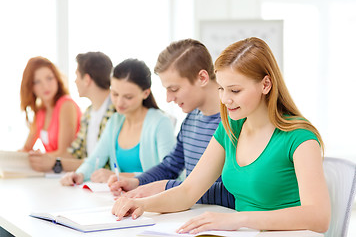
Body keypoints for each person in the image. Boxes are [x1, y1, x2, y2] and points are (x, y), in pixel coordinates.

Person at [111, 37, 331, 234]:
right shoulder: (230, 129)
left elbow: (319, 219)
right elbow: (188, 191)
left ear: (266, 84)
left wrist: (239, 219)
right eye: (222, 89)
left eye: (235, 91)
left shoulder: (300, 137)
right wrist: (143, 204)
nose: (225, 100)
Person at [108, 39, 235, 209]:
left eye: (174, 89)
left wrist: (166, 187)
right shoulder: (191, 119)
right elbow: (171, 165)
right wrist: (137, 182)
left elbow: (235, 191)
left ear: (202, 77)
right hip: (192, 215)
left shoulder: (235, 121)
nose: (168, 98)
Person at [60, 58, 176, 185]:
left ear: (146, 93)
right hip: (123, 197)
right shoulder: (115, 121)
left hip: (152, 199)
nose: (119, 103)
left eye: (128, 97)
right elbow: (94, 161)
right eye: (115, 94)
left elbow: (169, 173)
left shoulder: (161, 122)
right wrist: (79, 175)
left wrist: (119, 176)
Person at [27, 52, 116, 173]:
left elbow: (102, 164)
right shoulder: (89, 113)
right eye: (37, 82)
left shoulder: (116, 112)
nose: (75, 81)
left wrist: (55, 162)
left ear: (87, 79)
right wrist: (47, 160)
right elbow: (75, 153)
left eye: (77, 76)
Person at [20, 56, 81, 170]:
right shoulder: (40, 112)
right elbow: (26, 149)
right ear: (30, 86)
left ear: (57, 79)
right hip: (53, 174)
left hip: (71, 173)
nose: (45, 86)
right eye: (37, 81)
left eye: (49, 78)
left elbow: (65, 153)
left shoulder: (66, 105)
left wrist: (36, 157)